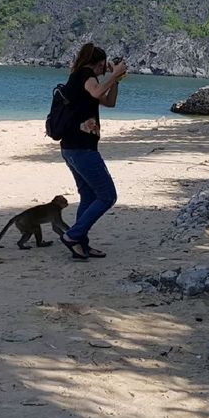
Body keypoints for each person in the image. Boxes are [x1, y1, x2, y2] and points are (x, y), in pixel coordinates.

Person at [59, 42, 127, 260]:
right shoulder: (86, 75)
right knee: (107, 195)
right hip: (81, 148)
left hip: (71, 148)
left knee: (88, 196)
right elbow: (97, 90)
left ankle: (81, 244)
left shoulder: (79, 77)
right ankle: (73, 235)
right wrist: (113, 74)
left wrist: (115, 78)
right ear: (96, 63)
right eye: (102, 66)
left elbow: (110, 102)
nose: (102, 70)